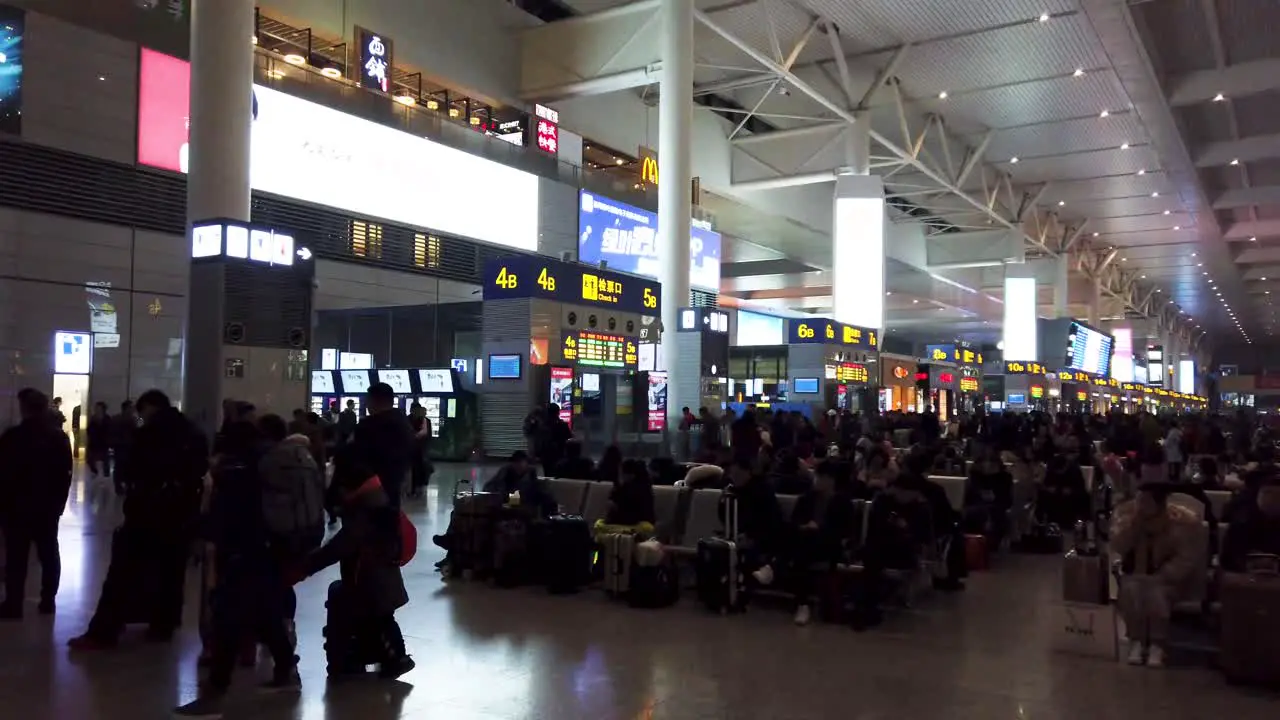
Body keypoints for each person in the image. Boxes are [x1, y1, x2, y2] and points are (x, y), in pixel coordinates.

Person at [174, 419, 300, 718]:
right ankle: (286, 672)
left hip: (242, 553)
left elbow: (225, 517)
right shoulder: (272, 460)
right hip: (269, 549)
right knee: (266, 613)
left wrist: (191, 530)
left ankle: (214, 694)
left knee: (227, 621)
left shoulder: (237, 469)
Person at [69, 389, 209, 649]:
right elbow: (199, 470)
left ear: (150, 408)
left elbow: (135, 469)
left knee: (122, 572)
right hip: (182, 512)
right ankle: (164, 623)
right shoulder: (193, 433)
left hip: (148, 511)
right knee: (171, 570)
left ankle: (104, 630)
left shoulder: (150, 434)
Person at [293, 450, 414, 679]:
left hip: (370, 581)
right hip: (378, 577)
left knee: (380, 622)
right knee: (379, 621)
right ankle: (389, 658)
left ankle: (397, 659)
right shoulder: (377, 501)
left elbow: (340, 546)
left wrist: (306, 567)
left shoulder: (366, 512)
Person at [1111, 484, 1205, 668]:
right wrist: (1134, 526)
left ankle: (1157, 644)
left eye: (1146, 500)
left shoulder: (1182, 521)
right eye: (1139, 499)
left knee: (1155, 593)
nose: (1140, 504)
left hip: (1171, 580)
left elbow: (1186, 558)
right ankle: (1136, 640)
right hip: (1137, 574)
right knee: (1131, 590)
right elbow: (1119, 546)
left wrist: (1165, 574)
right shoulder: (1129, 517)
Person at [0, 389, 73, 618]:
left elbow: (3, 474)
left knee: (16, 557)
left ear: (23, 408)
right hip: (47, 507)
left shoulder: (13, 437)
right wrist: (58, 505)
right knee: (49, 554)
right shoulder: (58, 437)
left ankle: (14, 604)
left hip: (17, 508)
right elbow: (65, 475)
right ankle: (47, 600)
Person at [780, 460, 857, 625]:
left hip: (830, 546)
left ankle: (801, 601)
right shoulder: (806, 499)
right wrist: (805, 527)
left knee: (803, 548)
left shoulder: (843, 502)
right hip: (807, 543)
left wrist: (819, 529)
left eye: (820, 477)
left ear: (831, 480)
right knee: (803, 545)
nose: (816, 480)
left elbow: (845, 531)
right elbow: (794, 523)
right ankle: (802, 603)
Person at [717, 458, 783, 586]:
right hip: (741, 533)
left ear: (747, 473)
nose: (734, 478)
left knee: (749, 552)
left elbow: (770, 520)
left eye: (738, 475)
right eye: (733, 475)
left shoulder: (761, 490)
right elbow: (725, 516)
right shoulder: (731, 492)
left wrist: (750, 535)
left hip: (763, 535)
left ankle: (745, 584)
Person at [351, 383, 414, 508]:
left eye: (368, 400)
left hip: (370, 489)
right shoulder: (404, 423)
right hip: (394, 484)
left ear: (374, 401)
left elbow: (355, 457)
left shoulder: (368, 427)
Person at [1220, 478, 1280, 571]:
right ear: (1257, 496)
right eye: (1267, 493)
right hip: (1246, 576)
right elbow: (1228, 558)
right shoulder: (1242, 521)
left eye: (1277, 495)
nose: (1271, 499)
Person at [604, 459, 656, 527]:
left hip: (635, 523)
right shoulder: (643, 486)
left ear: (630, 475)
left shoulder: (635, 489)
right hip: (635, 521)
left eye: (622, 474)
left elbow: (627, 510)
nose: (620, 476)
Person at [535, 404, 573, 477]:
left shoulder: (543, 426)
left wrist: (538, 454)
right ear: (558, 412)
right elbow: (569, 437)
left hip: (546, 456)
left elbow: (539, 441)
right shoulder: (562, 425)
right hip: (559, 454)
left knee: (547, 474)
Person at [111, 400, 138, 496]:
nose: (133, 409)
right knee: (127, 466)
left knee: (119, 466)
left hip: (119, 446)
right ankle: (128, 485)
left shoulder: (115, 418)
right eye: (131, 407)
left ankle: (119, 486)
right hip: (128, 447)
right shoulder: (134, 420)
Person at [85, 401, 113, 481]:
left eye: (98, 408)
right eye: (96, 408)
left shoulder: (107, 419)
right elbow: (89, 431)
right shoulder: (93, 419)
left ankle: (105, 477)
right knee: (91, 460)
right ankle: (95, 472)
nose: (96, 410)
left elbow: (109, 430)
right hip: (94, 444)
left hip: (103, 444)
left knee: (104, 460)